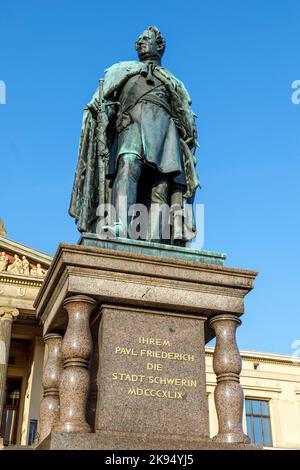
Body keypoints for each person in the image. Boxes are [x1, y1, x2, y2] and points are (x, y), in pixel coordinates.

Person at [69, 27, 199, 244]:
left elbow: (186, 116)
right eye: (138, 41)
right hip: (132, 124)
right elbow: (106, 105)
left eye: (145, 39)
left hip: (165, 130)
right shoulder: (122, 71)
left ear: (160, 46)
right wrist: (103, 115)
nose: (139, 43)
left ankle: (155, 237)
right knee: (128, 164)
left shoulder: (173, 81)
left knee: (161, 185)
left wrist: (184, 129)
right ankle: (121, 223)